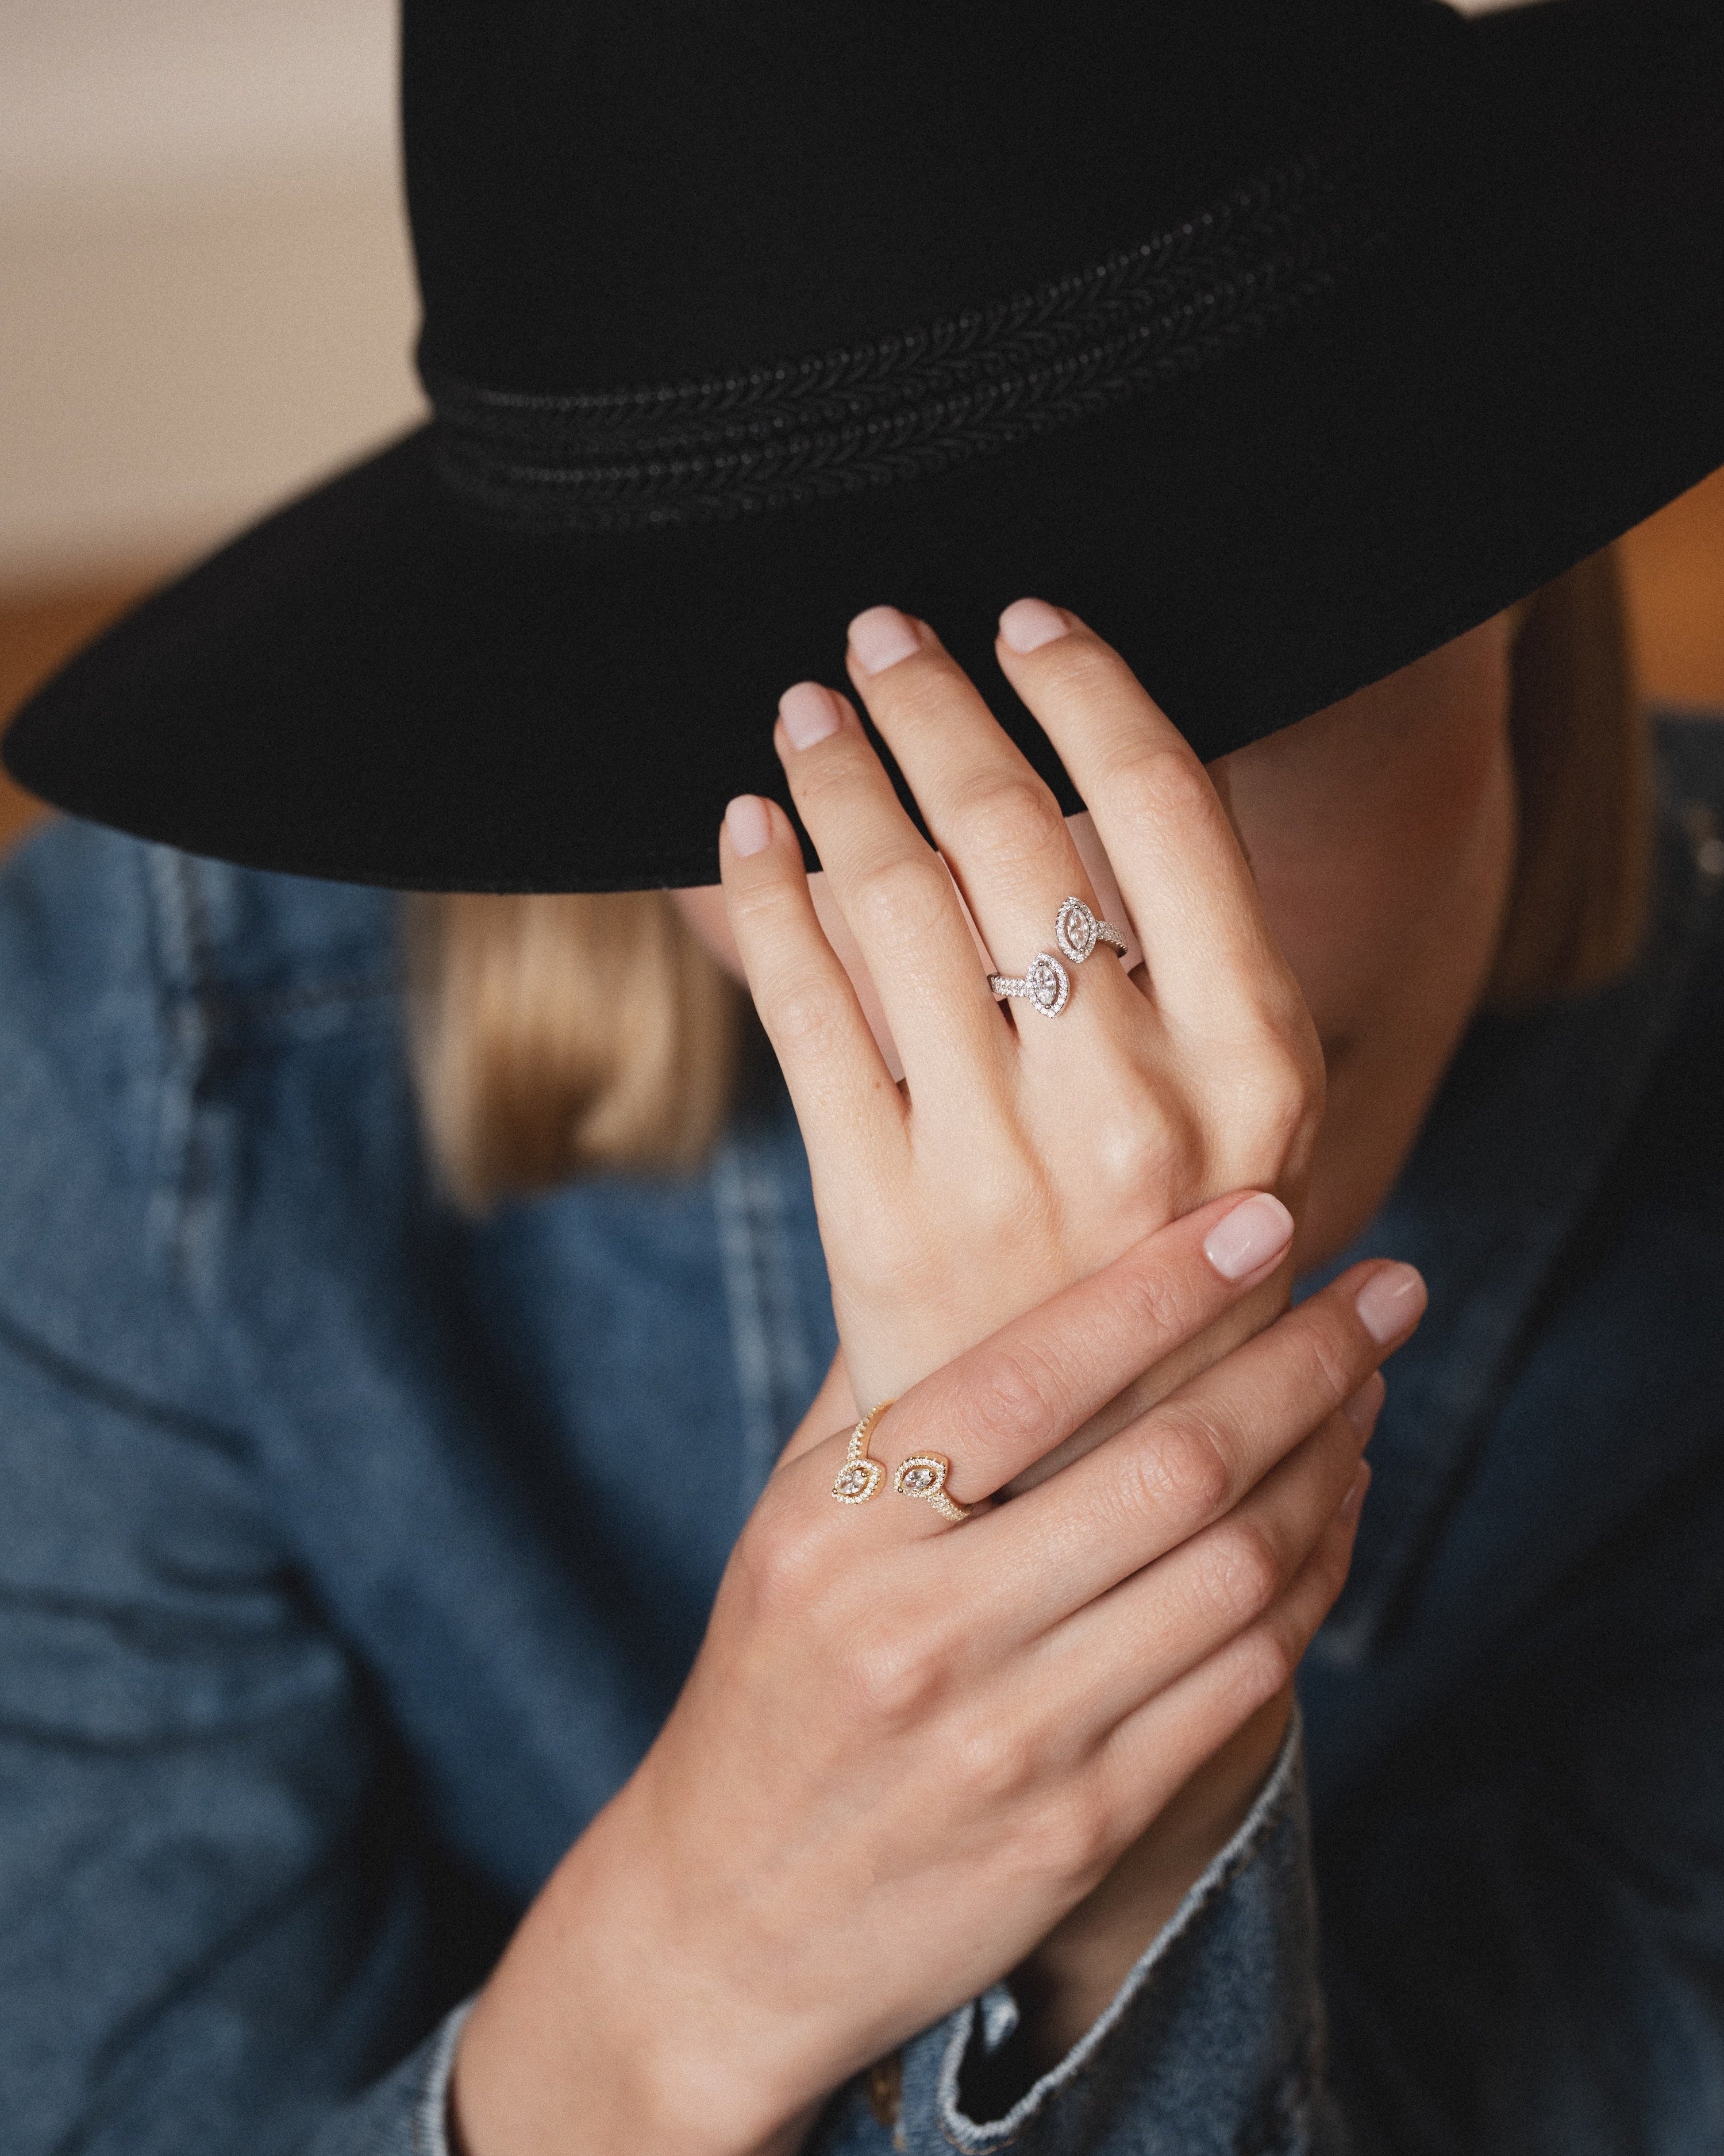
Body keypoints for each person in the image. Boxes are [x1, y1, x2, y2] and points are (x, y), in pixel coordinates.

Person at [3, 2, 1722, 2151]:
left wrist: (1126, 1857)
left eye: (1203, 698)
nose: (1069, 1009)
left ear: (1510, 538)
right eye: (840, 756)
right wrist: (682, 1972)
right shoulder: (158, 1074)